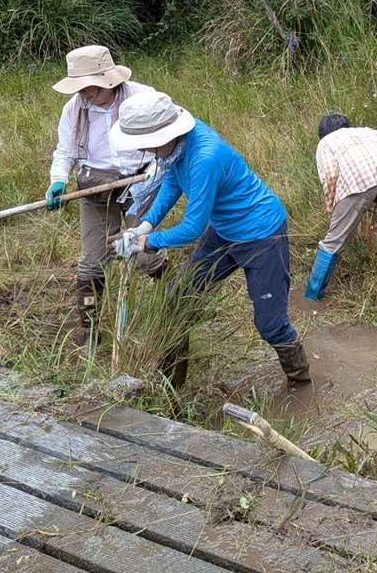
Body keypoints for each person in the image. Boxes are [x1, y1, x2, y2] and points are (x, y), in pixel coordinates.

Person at [108, 90, 309, 389]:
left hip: (261, 233)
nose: (147, 151)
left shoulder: (205, 157)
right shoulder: (178, 147)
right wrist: (145, 225)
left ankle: (301, 380)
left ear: (166, 133)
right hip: (224, 231)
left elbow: (191, 228)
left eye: (149, 144)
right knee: (178, 300)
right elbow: (173, 182)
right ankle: (170, 385)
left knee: (270, 325)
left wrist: (146, 243)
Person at [47, 45, 155, 350]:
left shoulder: (142, 98)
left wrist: (157, 173)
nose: (83, 93)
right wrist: (58, 180)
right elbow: (65, 152)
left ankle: (171, 310)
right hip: (94, 186)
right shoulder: (74, 109)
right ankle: (91, 333)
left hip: (141, 182)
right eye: (79, 86)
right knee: (91, 265)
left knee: (147, 257)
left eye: (88, 86)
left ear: (108, 80)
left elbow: (170, 137)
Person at [304, 113, 377, 301]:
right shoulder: (367, 131)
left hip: (359, 179)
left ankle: (312, 295)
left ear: (323, 133)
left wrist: (332, 209)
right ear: (348, 125)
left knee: (334, 240)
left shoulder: (326, 142)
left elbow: (330, 177)